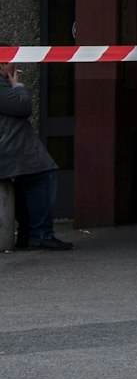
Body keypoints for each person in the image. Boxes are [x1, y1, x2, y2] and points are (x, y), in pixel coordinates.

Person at [1, 65, 69, 251]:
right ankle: (39, 234)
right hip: (12, 149)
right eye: (12, 59)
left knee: (29, 181)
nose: (15, 65)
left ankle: (28, 234)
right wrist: (18, 86)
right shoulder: (2, 86)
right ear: (2, 63)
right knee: (43, 176)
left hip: (13, 148)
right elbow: (23, 106)